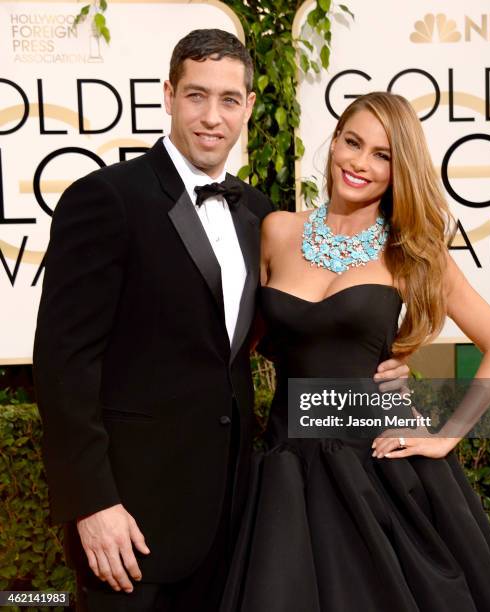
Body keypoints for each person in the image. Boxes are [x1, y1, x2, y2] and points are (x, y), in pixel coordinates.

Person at [32, 31, 407, 611]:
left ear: (249, 107)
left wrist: (378, 377)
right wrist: (91, 503)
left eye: (229, 99)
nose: (212, 117)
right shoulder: (106, 198)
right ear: (169, 95)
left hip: (236, 516)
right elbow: (63, 365)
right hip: (129, 522)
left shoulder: (257, 213)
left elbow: (285, 340)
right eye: (196, 96)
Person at [219, 92, 490, 611]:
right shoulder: (277, 230)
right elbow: (250, 341)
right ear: (336, 140)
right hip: (289, 459)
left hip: (380, 459)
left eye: (382, 155)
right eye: (352, 142)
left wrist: (445, 437)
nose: (360, 163)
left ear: (399, 168)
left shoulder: (409, 251)